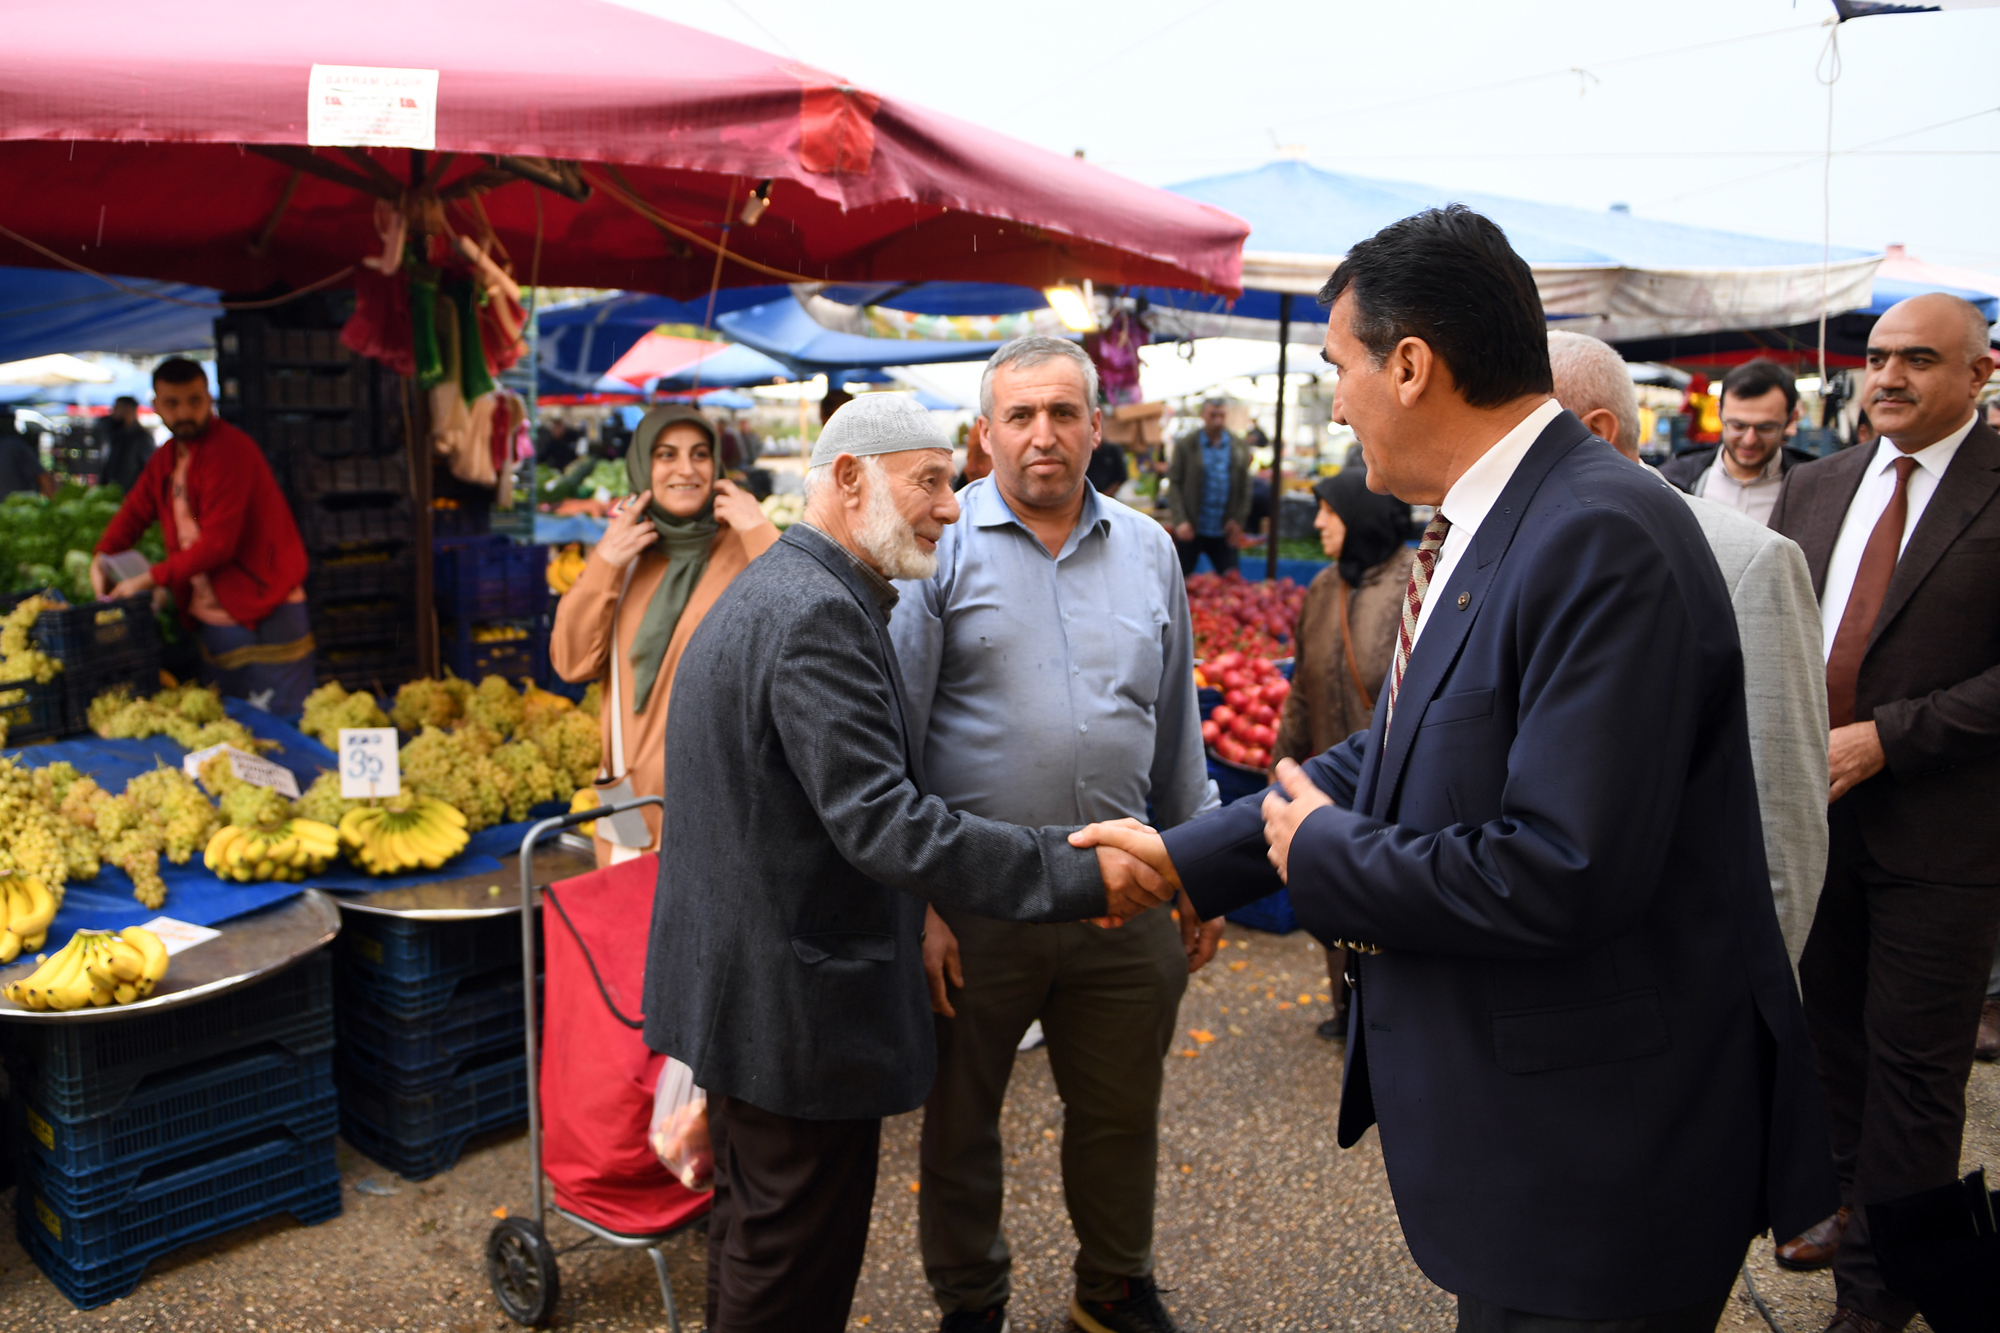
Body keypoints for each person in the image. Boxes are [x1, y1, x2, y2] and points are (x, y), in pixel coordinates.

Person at [1078, 206, 1834, 1329]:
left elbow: (1563, 867)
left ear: (1413, 365)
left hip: (1601, 1162)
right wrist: (1188, 856)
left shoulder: (1594, 530)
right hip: (1547, 1155)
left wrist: (1321, 853)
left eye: (1339, 367)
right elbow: (1393, 749)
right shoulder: (1498, 519)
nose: (1332, 400)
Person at [641, 392, 1178, 1333]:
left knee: (756, 1242)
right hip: (792, 1012)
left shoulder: (791, 589)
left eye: (951, 481)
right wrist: (1082, 870)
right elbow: (889, 824)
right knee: (786, 1274)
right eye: (929, 481)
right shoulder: (817, 611)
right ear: (849, 480)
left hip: (755, 997)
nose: (950, 505)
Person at [890, 336, 1221, 1333]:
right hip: (976, 900)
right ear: (982, 434)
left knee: (1120, 1110)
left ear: (1095, 425)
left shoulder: (1149, 547)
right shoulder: (935, 545)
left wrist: (1199, 864)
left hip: (1124, 896)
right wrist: (918, 904)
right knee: (959, 1122)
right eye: (1021, 416)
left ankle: (1113, 1285)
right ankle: (970, 1299)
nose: (1044, 435)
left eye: (1063, 413)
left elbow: (1175, 720)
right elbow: (894, 737)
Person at [1766, 293, 2000, 1331]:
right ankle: (1849, 1211)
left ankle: (1874, 1301)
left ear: (1977, 374)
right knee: (1826, 1048)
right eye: (1874, 358)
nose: (1888, 377)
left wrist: (1885, 738)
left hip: (1941, 840)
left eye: (1916, 359)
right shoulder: (1814, 487)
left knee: (1912, 1073)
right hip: (1814, 827)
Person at [1547, 330, 1829, 967]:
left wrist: (1754, 1009)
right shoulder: (1491, 545)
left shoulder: (1746, 560)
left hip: (1683, 980)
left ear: (1594, 430)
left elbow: (1781, 817)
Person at [548, 404, 779, 865]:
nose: (686, 469)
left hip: (726, 813)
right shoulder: (625, 554)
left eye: (699, 454)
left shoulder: (749, 549)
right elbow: (571, 663)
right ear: (642, 466)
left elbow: (806, 631)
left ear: (717, 465)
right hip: (629, 805)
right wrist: (605, 565)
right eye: (666, 455)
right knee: (630, 933)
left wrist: (759, 532)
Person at [1273, 466, 1413, 1040]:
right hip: (1329, 782)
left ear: (1360, 515)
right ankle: (1345, 1006)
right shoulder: (1324, 587)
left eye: (1329, 511)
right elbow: (1303, 685)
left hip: (1395, 784)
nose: (1317, 522)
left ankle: (1394, 1017)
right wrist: (1282, 762)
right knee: (1333, 897)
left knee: (1389, 902)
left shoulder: (1415, 581)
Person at [92, 358, 313, 713]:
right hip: (213, 616)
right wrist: (102, 555)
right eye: (173, 403)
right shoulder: (167, 457)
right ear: (157, 405)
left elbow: (218, 544)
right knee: (231, 733)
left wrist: (150, 578)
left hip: (264, 608)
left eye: (194, 401)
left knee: (283, 729)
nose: (184, 412)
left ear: (210, 399)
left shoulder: (229, 451)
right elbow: (135, 512)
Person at [1660, 359, 1815, 524]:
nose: (1749, 440)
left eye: (1765, 428)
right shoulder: (1675, 480)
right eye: (1738, 426)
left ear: (1791, 419)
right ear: (1719, 413)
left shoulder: (1813, 488)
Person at [1166, 397, 1249, 575]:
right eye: (1212, 415)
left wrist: (1239, 520)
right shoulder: (1187, 445)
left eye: (1221, 415)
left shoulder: (1238, 446)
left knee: (1231, 580)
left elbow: (1245, 487)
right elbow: (1175, 483)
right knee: (1181, 580)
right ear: (1203, 415)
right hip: (1192, 526)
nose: (1217, 420)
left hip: (1223, 529)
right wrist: (1180, 520)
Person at [95, 395, 155, 494]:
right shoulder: (117, 435)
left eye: (117, 408)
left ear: (128, 410)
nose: (113, 413)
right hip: (113, 497)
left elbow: (149, 472)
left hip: (131, 498)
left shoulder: (142, 438)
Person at [0, 408, 51, 499]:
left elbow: (43, 477)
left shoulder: (14, 446)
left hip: (17, 507)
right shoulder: (14, 445)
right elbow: (43, 477)